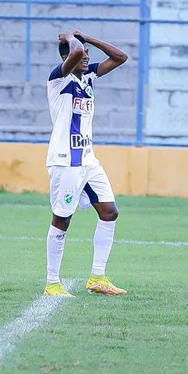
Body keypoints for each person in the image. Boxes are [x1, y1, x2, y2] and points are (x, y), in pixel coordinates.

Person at [43, 30, 128, 297]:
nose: (86, 56)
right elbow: (77, 51)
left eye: (87, 55)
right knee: (62, 220)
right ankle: (52, 283)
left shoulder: (89, 76)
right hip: (65, 161)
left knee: (110, 212)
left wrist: (88, 38)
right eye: (81, 55)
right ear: (67, 57)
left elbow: (120, 57)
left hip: (88, 160)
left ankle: (97, 277)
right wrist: (71, 37)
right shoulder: (58, 79)